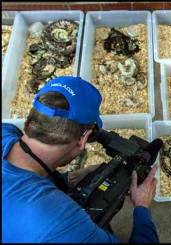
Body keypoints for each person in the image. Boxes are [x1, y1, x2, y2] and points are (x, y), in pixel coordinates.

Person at [2, 76, 159, 243]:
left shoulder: (6, 131)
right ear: (84, 139)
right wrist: (142, 206)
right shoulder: (62, 222)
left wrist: (67, 179)